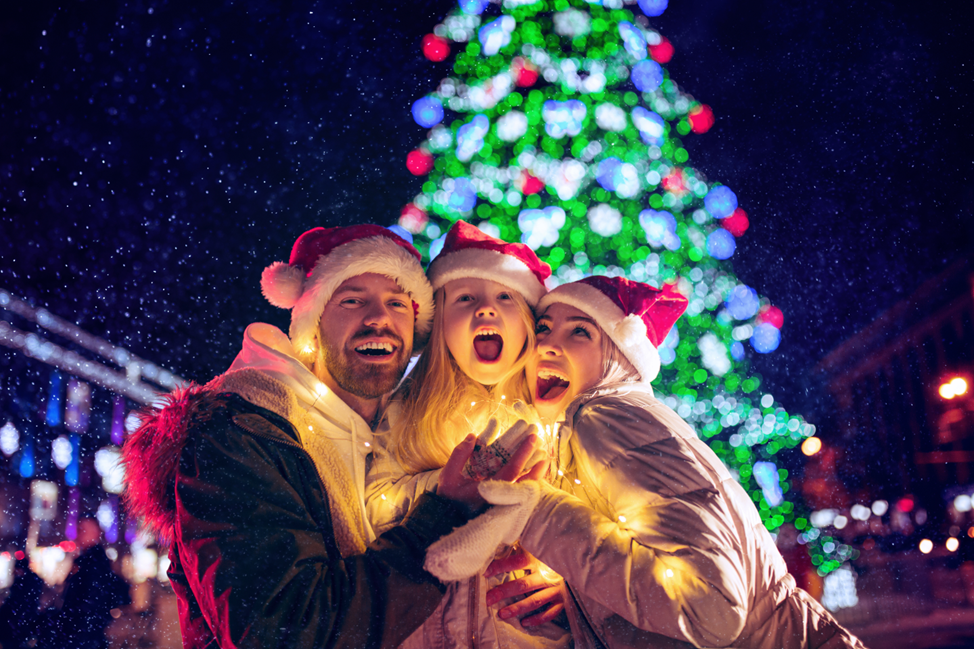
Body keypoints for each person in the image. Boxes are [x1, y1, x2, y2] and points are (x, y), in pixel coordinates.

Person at [121, 224, 540, 649]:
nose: (379, 318)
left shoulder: (404, 436)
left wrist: (557, 597)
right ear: (312, 322)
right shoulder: (243, 432)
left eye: (397, 303)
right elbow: (289, 632)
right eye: (352, 300)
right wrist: (443, 515)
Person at [426, 275, 866, 648]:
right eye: (543, 328)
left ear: (619, 355)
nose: (548, 346)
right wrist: (584, 597)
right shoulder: (598, 427)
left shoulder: (605, 415)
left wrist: (537, 513)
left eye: (579, 332)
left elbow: (711, 606)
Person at [366, 220, 569, 648]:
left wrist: (575, 596)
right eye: (464, 298)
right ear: (440, 326)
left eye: (505, 297)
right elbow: (372, 505)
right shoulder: (409, 409)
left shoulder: (556, 419)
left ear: (529, 324)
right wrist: (449, 490)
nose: (485, 309)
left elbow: (589, 531)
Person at [45, 516, 131, 649]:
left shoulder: (94, 562)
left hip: (82, 635)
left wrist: (68, 623)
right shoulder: (87, 560)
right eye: (79, 529)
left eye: (84, 530)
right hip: (82, 633)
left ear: (97, 533)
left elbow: (91, 602)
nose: (80, 534)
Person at [0, 553, 45, 649]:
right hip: (23, 617)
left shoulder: (24, 581)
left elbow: (18, 598)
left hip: (18, 617)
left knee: (12, 641)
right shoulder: (32, 579)